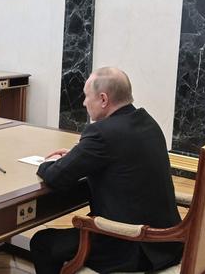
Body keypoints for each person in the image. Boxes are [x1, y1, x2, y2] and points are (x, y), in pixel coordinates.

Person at [30, 67, 183, 273]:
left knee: (42, 242)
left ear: (103, 99)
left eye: (86, 96)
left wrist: (51, 162)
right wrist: (78, 156)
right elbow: (120, 158)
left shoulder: (101, 133)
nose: (84, 103)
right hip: (168, 242)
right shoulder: (148, 123)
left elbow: (57, 177)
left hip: (130, 244)